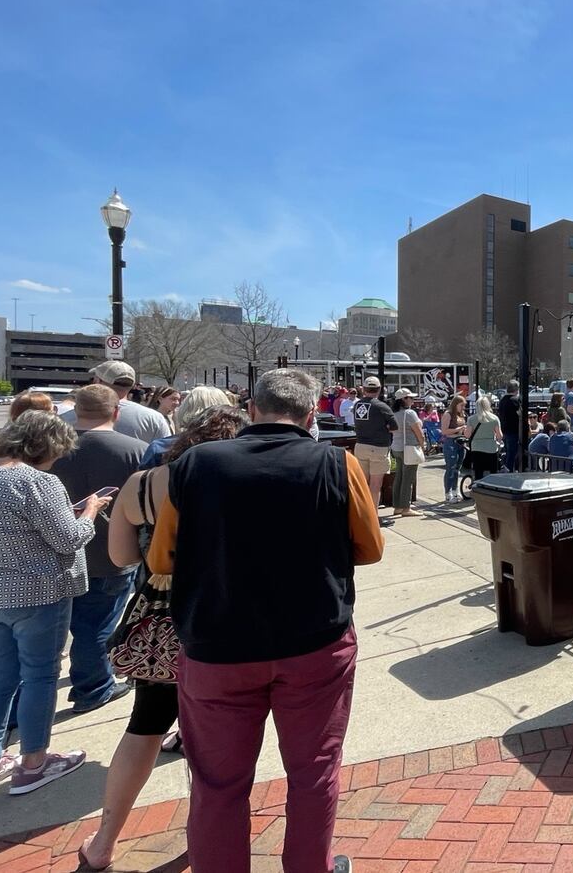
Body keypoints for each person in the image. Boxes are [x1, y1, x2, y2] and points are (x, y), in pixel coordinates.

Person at [145, 368, 383, 873]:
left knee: (216, 782)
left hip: (217, 646)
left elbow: (161, 560)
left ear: (250, 410)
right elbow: (370, 547)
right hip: (315, 642)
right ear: (311, 414)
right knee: (313, 771)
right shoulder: (337, 463)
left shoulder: (194, 465)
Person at [79, 406, 249, 871]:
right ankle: (208, 838)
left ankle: (103, 843)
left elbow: (120, 557)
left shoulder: (144, 485)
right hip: (225, 619)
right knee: (211, 741)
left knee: (145, 727)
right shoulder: (243, 484)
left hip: (162, 620)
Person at [0, 411, 109, 801]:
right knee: (40, 675)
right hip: (36, 594)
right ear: (48, 445)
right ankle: (34, 763)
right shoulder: (39, 481)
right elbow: (68, 539)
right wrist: (90, 511)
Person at [50, 385, 148, 715]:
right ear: (117, 412)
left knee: (66, 629)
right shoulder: (137, 450)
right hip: (113, 554)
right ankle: (93, 688)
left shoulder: (50, 450)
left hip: (55, 555)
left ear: (76, 410)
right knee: (95, 627)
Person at [63, 362, 171, 443]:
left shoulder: (66, 418)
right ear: (132, 386)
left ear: (97, 381)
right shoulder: (154, 418)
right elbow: (165, 455)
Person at [140, 386, 236, 469]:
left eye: (179, 400)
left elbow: (141, 485)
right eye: (173, 399)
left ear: (186, 409)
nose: (177, 403)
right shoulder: (241, 449)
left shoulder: (161, 448)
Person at [350, 376, 398, 508]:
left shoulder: (357, 405)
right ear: (379, 390)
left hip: (360, 446)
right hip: (378, 447)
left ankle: (361, 513)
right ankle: (372, 517)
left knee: (362, 483)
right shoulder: (382, 406)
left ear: (364, 389)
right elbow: (394, 427)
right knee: (375, 486)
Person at [389, 389, 427, 517]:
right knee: (408, 478)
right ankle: (406, 507)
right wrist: (423, 446)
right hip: (409, 448)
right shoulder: (410, 413)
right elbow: (419, 433)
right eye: (410, 397)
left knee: (399, 476)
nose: (412, 400)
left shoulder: (393, 413)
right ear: (404, 399)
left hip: (396, 447)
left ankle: (397, 506)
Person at [466, 396, 502, 481]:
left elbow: (467, 435)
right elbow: (499, 435)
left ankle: (479, 490)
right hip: (491, 448)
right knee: (493, 472)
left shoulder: (471, 419)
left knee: (478, 473)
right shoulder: (494, 418)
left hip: (477, 448)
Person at [441, 395, 467, 502]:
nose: (463, 408)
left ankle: (455, 490)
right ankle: (448, 493)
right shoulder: (448, 414)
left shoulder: (461, 414)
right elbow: (444, 431)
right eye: (461, 405)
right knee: (450, 467)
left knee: (457, 468)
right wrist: (458, 429)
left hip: (461, 441)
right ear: (455, 404)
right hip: (451, 441)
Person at [498, 380, 522, 472]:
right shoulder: (515, 400)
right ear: (516, 389)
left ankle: (507, 469)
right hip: (513, 430)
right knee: (512, 453)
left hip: (504, 429)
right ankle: (509, 471)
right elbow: (519, 414)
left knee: (508, 452)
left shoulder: (502, 400)